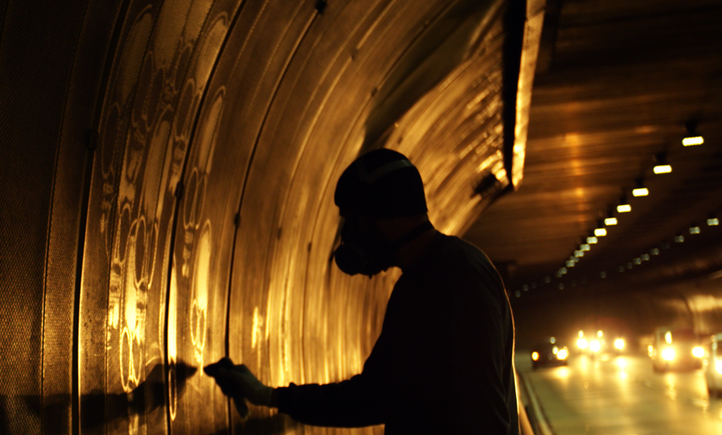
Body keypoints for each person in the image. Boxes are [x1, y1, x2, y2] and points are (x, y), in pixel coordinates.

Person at [205, 148, 519, 434]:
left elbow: (481, 413)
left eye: (352, 220)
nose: (347, 235)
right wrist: (268, 395)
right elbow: (376, 395)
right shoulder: (422, 281)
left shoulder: (456, 278)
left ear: (380, 214)